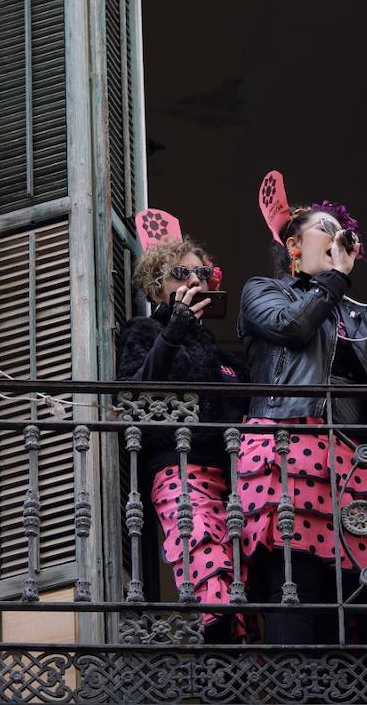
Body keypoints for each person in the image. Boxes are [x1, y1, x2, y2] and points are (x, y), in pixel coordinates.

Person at [237, 202, 367, 644]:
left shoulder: (353, 315)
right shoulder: (264, 290)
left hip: (351, 458)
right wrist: (335, 279)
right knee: (296, 585)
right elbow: (291, 328)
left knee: (364, 591)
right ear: (293, 244)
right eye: (326, 229)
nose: (338, 236)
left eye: (343, 231)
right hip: (290, 445)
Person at [115, 237, 247, 640]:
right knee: (208, 572)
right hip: (178, 468)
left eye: (202, 273)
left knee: (242, 583)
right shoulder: (144, 330)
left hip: (233, 481)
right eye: (181, 273)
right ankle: (219, 672)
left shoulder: (219, 352)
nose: (194, 280)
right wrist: (173, 330)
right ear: (157, 286)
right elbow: (134, 390)